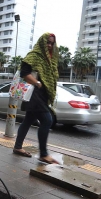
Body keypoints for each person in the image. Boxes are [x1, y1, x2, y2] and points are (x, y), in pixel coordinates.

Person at [13, 32, 60, 164]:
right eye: (48, 42)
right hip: (34, 94)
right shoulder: (34, 55)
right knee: (47, 120)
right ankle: (43, 154)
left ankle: (17, 147)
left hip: (41, 95)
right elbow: (24, 73)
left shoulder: (49, 59)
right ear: (42, 42)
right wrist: (37, 83)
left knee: (28, 120)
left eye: (52, 43)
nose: (50, 45)